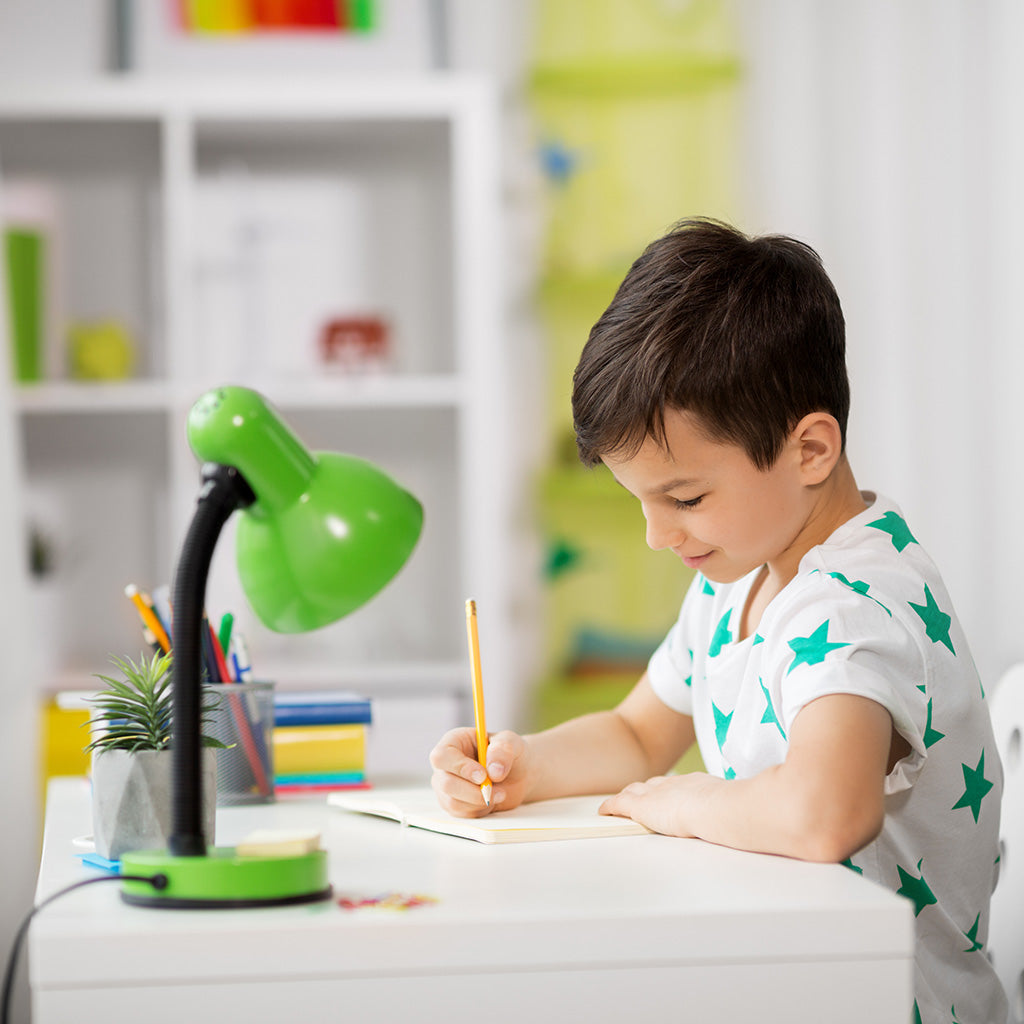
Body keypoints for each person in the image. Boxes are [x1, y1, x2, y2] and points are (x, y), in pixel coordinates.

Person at [429, 218, 1006, 1023]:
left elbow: (825, 812)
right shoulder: (740, 572)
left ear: (809, 450)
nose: (658, 535)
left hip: (884, 1002)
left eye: (685, 499)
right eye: (643, 503)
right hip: (789, 972)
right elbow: (637, 735)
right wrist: (527, 767)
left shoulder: (855, 605)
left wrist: (679, 804)